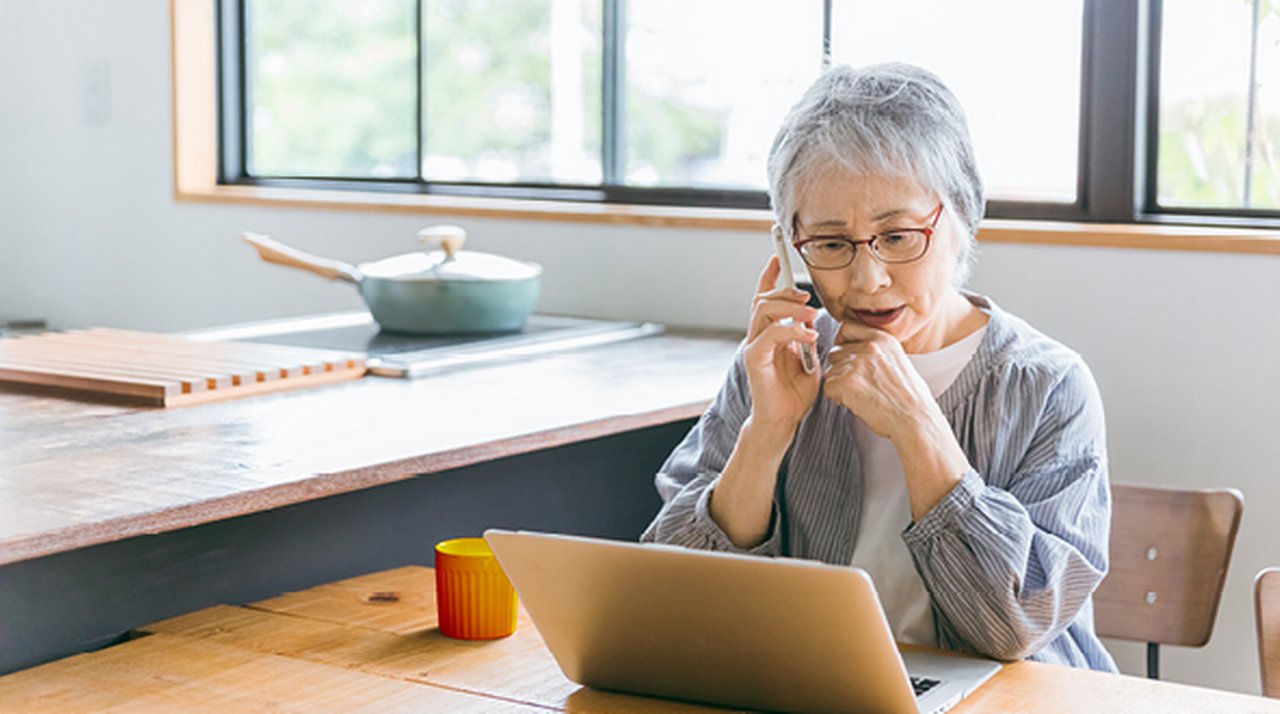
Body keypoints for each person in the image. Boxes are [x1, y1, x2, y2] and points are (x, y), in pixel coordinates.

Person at [641, 62, 1116, 671]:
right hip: (818, 691)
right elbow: (676, 600)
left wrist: (917, 424)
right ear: (791, 245)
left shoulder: (1047, 385)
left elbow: (1016, 621)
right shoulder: (776, 364)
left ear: (961, 216)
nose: (867, 280)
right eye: (833, 245)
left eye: (898, 237)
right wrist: (767, 433)